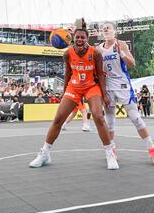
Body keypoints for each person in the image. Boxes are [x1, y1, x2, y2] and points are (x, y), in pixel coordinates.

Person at [30, 20, 119, 170]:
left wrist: (104, 94)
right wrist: (65, 92)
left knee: (98, 116)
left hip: (92, 86)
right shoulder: (67, 54)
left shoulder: (95, 53)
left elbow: (101, 75)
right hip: (74, 86)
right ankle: (44, 153)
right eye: (77, 37)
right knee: (58, 119)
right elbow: (67, 73)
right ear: (73, 38)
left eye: (82, 37)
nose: (79, 39)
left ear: (87, 39)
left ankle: (110, 154)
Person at [98, 22, 154, 165]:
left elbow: (132, 63)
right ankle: (112, 150)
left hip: (123, 84)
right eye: (104, 28)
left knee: (135, 117)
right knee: (109, 122)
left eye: (108, 27)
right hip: (108, 86)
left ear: (115, 31)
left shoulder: (121, 44)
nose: (106, 29)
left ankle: (152, 150)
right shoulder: (98, 49)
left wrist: (121, 53)